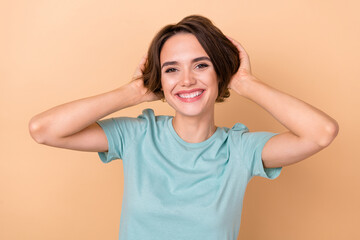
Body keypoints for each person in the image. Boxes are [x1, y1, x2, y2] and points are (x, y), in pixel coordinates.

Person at [29, 15, 339, 240]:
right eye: (171, 69)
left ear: (220, 73)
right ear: (159, 81)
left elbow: (321, 132)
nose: (187, 79)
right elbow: (44, 129)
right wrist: (134, 92)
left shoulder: (240, 150)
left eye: (201, 65)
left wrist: (246, 82)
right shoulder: (137, 135)